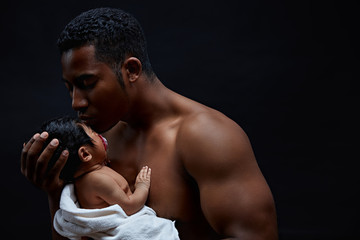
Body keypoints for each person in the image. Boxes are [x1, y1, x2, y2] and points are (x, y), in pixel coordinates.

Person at [21, 7, 278, 239]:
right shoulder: (94, 142)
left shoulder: (207, 137)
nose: (76, 103)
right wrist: (55, 194)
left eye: (87, 84)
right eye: (70, 88)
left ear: (131, 70)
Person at [38, 116, 179, 239]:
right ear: (85, 154)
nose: (100, 136)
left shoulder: (91, 175)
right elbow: (129, 207)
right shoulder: (97, 180)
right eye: (93, 133)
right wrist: (142, 187)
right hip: (124, 229)